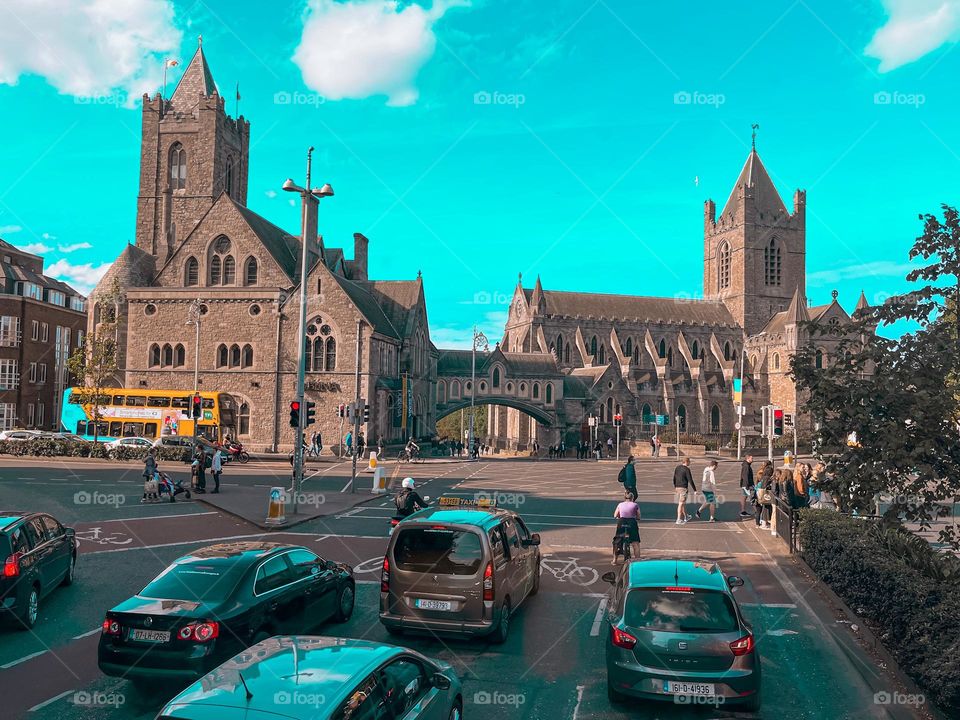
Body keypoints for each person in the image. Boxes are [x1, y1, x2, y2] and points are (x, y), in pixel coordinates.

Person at [613, 490, 641, 562]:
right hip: (632, 522)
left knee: (617, 541)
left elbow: (615, 515)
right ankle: (637, 560)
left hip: (622, 522)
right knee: (635, 542)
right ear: (632, 498)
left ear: (624, 497)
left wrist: (619, 516)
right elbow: (639, 516)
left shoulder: (620, 504)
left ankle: (614, 560)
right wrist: (637, 518)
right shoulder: (635, 505)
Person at [672, 457, 696, 524]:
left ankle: (686, 516)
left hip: (677, 487)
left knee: (682, 503)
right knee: (681, 504)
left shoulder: (677, 467)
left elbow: (674, 478)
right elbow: (690, 480)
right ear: (687, 462)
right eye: (689, 461)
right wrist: (695, 490)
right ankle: (678, 519)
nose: (690, 463)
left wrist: (675, 486)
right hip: (683, 488)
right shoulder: (687, 469)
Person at [755, 462, 775, 528]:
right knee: (765, 510)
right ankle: (764, 523)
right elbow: (766, 487)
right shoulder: (767, 478)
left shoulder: (763, 478)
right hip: (766, 496)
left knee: (764, 509)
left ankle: (763, 523)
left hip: (762, 495)